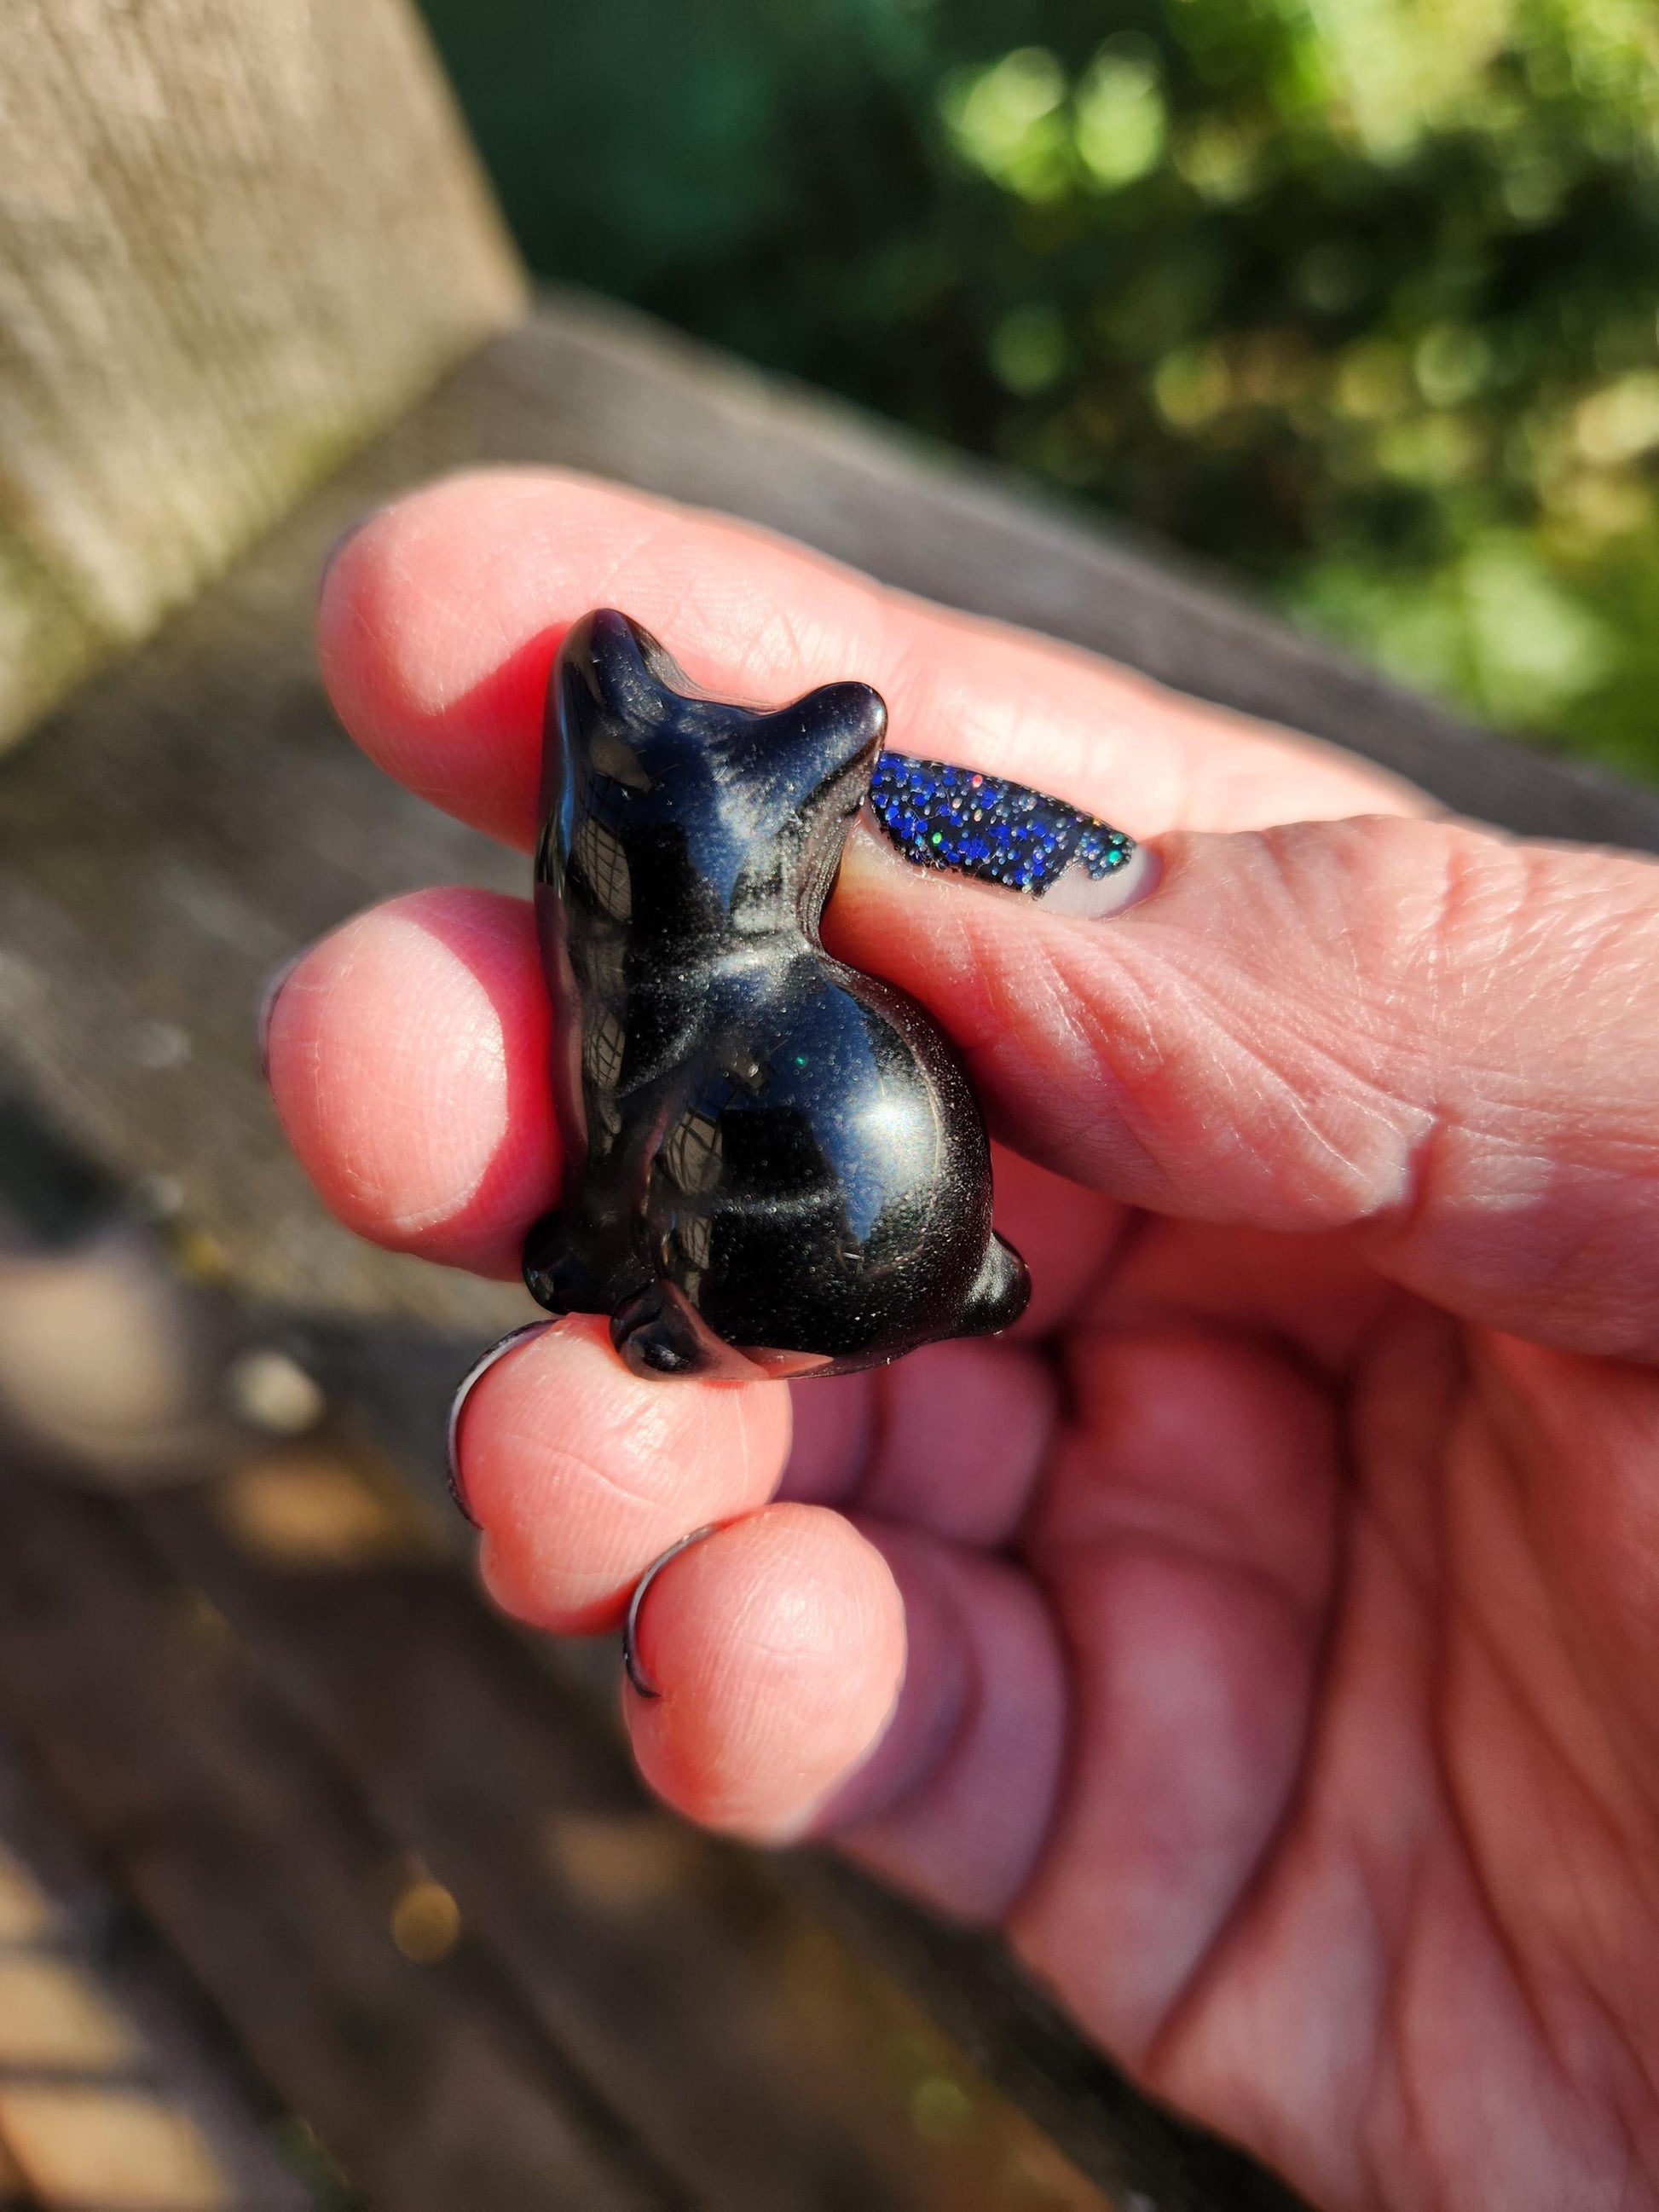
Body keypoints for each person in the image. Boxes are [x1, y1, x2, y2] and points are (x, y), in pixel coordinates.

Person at [264, 469, 1659, 2212]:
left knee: (651, 1214)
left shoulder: (700, 983)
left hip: (848, 1233)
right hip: (867, 1232)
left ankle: (714, 1281)